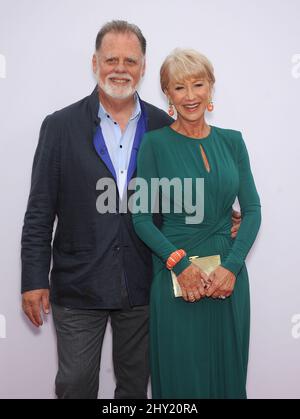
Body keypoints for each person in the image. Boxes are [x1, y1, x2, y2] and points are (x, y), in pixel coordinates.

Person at [21, 21, 241, 399]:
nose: (120, 68)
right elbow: (40, 209)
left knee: (135, 389)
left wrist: (224, 218)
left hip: (145, 281)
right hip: (78, 285)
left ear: (142, 67)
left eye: (130, 60)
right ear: (95, 63)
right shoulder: (59, 126)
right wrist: (33, 279)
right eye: (111, 59)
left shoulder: (164, 124)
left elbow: (182, 194)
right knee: (74, 386)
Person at [132, 49, 261, 399]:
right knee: (181, 381)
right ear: (167, 95)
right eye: (179, 88)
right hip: (176, 275)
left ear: (211, 88)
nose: (190, 96)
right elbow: (141, 218)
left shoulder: (233, 141)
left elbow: (252, 210)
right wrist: (180, 264)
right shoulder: (154, 144)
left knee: (227, 379)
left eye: (198, 84)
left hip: (228, 280)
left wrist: (232, 267)